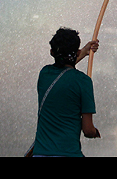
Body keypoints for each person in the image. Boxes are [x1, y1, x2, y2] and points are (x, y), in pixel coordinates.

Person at [32, 27, 100, 157]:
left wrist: (83, 52)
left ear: (52, 52)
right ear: (77, 51)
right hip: (69, 153)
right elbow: (87, 130)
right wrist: (95, 132)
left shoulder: (44, 74)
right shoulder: (83, 82)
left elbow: (64, 68)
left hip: (40, 153)